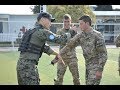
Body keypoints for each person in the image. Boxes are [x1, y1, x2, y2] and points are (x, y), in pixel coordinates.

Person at [16, 12, 70, 85]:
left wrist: (56, 54)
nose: (50, 23)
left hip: (21, 65)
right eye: (49, 20)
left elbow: (44, 47)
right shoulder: (42, 32)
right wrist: (71, 32)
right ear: (43, 19)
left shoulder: (31, 31)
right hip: (29, 67)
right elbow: (60, 39)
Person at [60, 15, 108, 85]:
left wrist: (100, 70)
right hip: (88, 67)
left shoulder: (97, 35)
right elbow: (69, 45)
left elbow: (103, 54)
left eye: (81, 24)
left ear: (87, 24)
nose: (79, 26)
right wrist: (59, 54)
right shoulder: (81, 35)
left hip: (96, 67)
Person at [54, 14, 80, 85]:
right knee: (59, 79)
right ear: (63, 22)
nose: (66, 23)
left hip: (72, 58)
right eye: (65, 21)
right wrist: (71, 32)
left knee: (76, 79)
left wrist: (74, 32)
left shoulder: (74, 31)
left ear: (70, 21)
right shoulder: (59, 31)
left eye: (68, 21)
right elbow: (62, 41)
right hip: (62, 58)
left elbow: (76, 43)